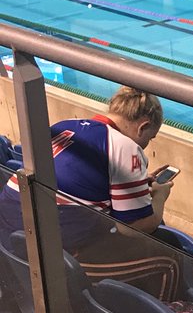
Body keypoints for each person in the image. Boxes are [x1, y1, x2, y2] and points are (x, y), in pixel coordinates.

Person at [0, 87, 179, 300]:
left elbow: (74, 181)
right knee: (171, 259)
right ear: (143, 127)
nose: (146, 145)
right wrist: (160, 196)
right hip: (55, 256)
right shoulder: (125, 147)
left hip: (10, 241)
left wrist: (135, 185)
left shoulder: (62, 126)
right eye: (150, 138)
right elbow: (133, 228)